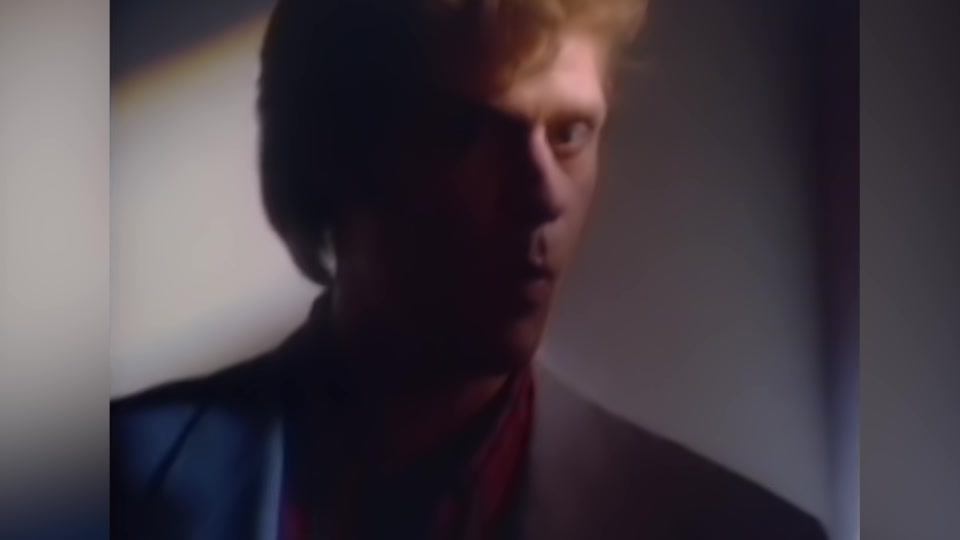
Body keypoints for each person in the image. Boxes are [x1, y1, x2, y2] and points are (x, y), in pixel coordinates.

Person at [111, 0, 828, 538]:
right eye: (467, 132)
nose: (543, 195)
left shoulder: (734, 530)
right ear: (336, 155)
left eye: (570, 133)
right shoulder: (114, 486)